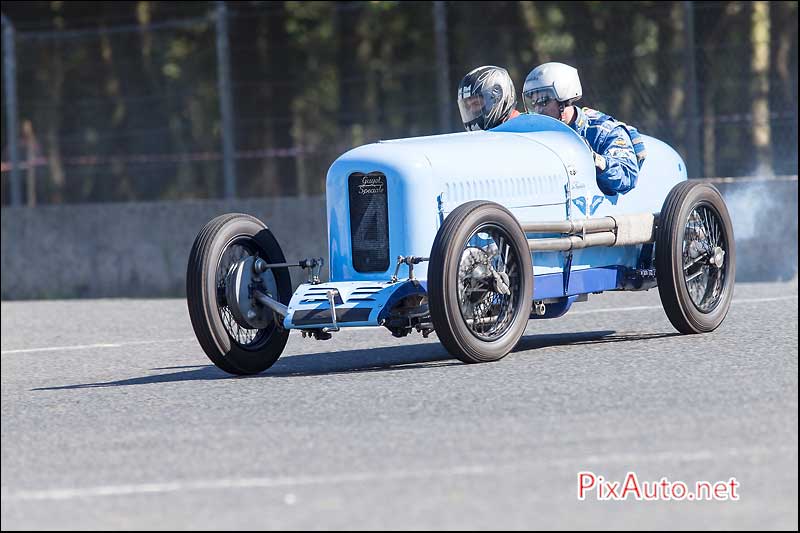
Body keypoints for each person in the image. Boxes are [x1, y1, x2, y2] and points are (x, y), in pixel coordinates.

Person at [521, 62, 645, 196]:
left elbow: (628, 175)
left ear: (564, 100)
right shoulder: (533, 133)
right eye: (533, 103)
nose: (538, 110)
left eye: (543, 101)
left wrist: (595, 160)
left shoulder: (603, 131)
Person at [456, 65, 520, 131]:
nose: (471, 111)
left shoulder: (524, 131)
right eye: (467, 107)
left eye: (476, 103)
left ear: (497, 97)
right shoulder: (477, 139)